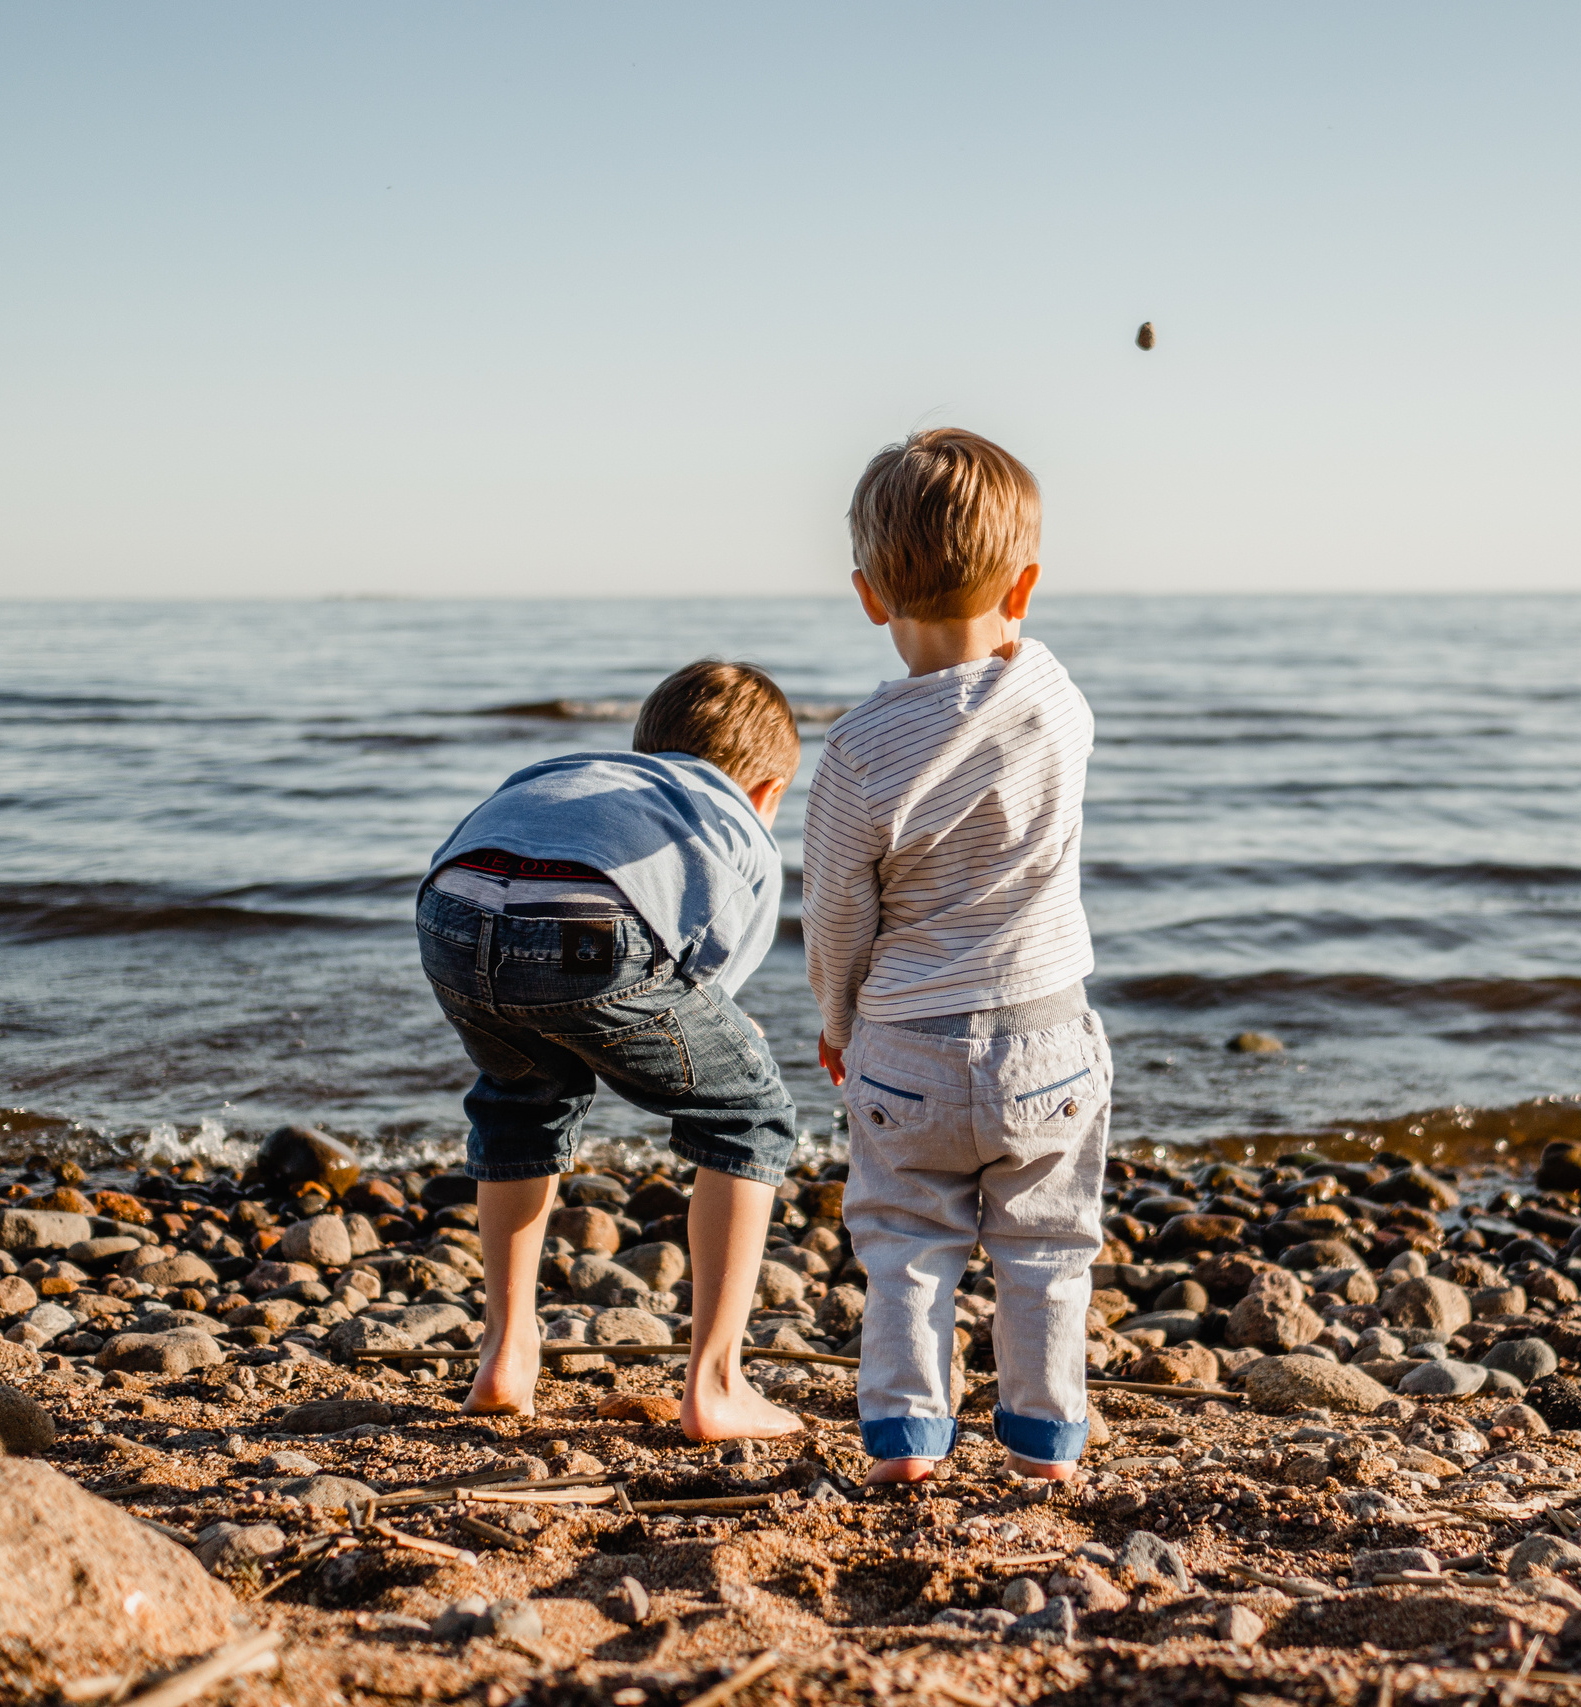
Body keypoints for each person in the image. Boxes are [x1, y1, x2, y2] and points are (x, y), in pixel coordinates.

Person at [804, 427, 1109, 1484]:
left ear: (867, 596)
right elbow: (1017, 650)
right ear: (1025, 584)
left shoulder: (854, 753)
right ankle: (1042, 1438)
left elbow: (836, 911)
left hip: (904, 1048)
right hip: (1045, 1039)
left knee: (904, 1244)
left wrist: (837, 1021)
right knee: (1046, 1247)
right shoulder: (1054, 700)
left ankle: (904, 1437)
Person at [416, 659, 805, 1439]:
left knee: (523, 1097)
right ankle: (718, 1383)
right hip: (590, 923)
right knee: (749, 1113)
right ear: (767, 791)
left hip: (450, 910)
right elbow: (707, 979)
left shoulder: (572, 772)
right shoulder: (735, 819)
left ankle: (506, 1351)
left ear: (644, 745)